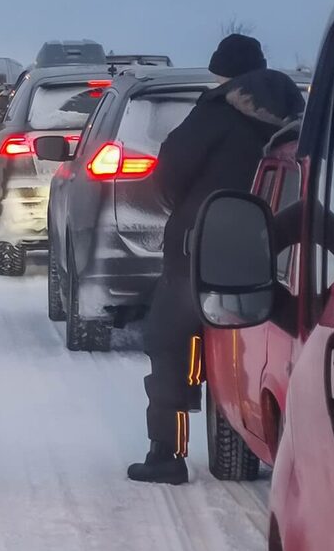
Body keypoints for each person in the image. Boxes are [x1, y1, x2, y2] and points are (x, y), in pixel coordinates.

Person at [128, 33, 305, 484]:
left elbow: (169, 174)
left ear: (223, 75)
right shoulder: (298, 117)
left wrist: (186, 213)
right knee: (249, 345)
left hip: (200, 251)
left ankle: (168, 453)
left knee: (172, 343)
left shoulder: (214, 113)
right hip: (277, 251)